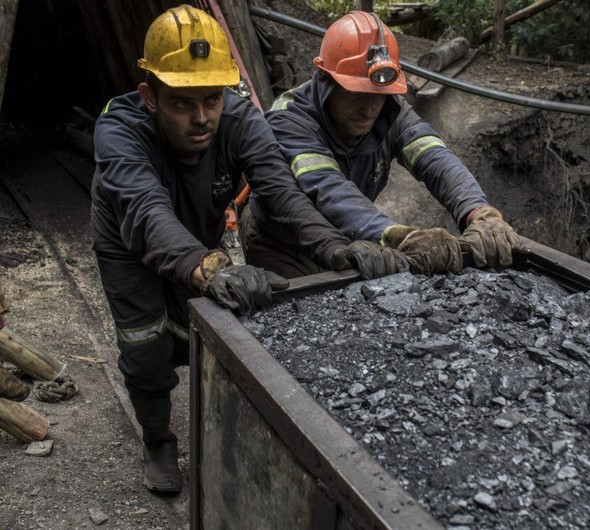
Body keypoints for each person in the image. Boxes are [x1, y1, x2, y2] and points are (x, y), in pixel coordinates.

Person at [90, 5, 405, 494]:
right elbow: (147, 211)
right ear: (149, 97)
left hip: (198, 228)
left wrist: (337, 249)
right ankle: (158, 439)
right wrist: (207, 264)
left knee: (208, 321)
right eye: (182, 103)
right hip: (128, 240)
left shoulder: (238, 118)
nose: (201, 118)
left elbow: (281, 191)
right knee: (145, 338)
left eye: (211, 100)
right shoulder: (118, 131)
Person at [243, 11, 520, 277]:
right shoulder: (289, 118)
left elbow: (435, 158)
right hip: (282, 245)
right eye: (356, 94)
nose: (369, 109)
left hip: (351, 240)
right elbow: (329, 189)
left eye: (378, 95)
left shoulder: (390, 109)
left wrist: (477, 211)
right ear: (326, 81)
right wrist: (398, 235)